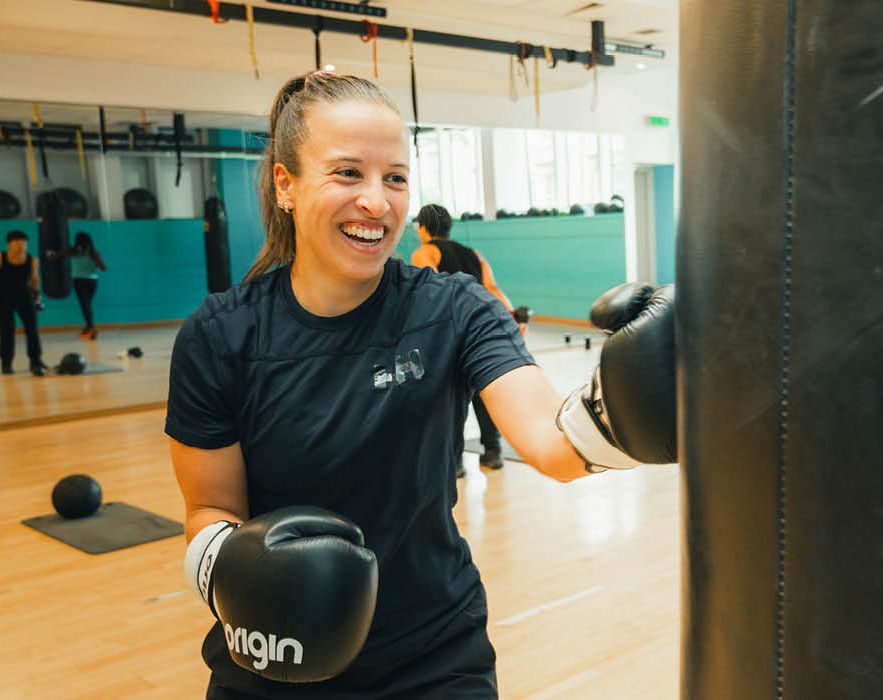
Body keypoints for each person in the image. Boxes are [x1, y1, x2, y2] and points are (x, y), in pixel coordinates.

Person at [167, 71, 675, 700]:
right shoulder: (221, 336)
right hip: (270, 659)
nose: (377, 202)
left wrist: (648, 397)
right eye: (348, 173)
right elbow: (210, 508)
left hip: (431, 658)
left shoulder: (454, 310)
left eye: (396, 177)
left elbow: (552, 442)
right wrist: (243, 575)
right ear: (285, 184)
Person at [409, 203, 522, 474]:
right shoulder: (473, 254)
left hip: (449, 329)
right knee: (482, 392)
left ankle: (456, 461)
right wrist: (509, 321)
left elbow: (431, 292)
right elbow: (492, 289)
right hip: (479, 327)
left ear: (422, 228)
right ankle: (493, 452)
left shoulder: (424, 252)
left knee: (451, 397)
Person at [0, 230, 47, 376]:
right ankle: (6, 363)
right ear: (9, 244)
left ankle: (36, 361)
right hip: (4, 297)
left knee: (32, 328)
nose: (21, 246)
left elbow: (35, 280)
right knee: (6, 330)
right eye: (17, 243)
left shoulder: (32, 260)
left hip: (25, 296)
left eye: (24, 243)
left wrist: (37, 298)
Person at [46, 231, 107, 339]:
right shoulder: (93, 252)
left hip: (79, 281)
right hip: (92, 281)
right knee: (86, 305)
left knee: (85, 305)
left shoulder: (72, 250)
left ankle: (91, 328)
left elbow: (53, 257)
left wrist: (48, 253)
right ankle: (89, 327)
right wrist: (94, 266)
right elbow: (104, 267)